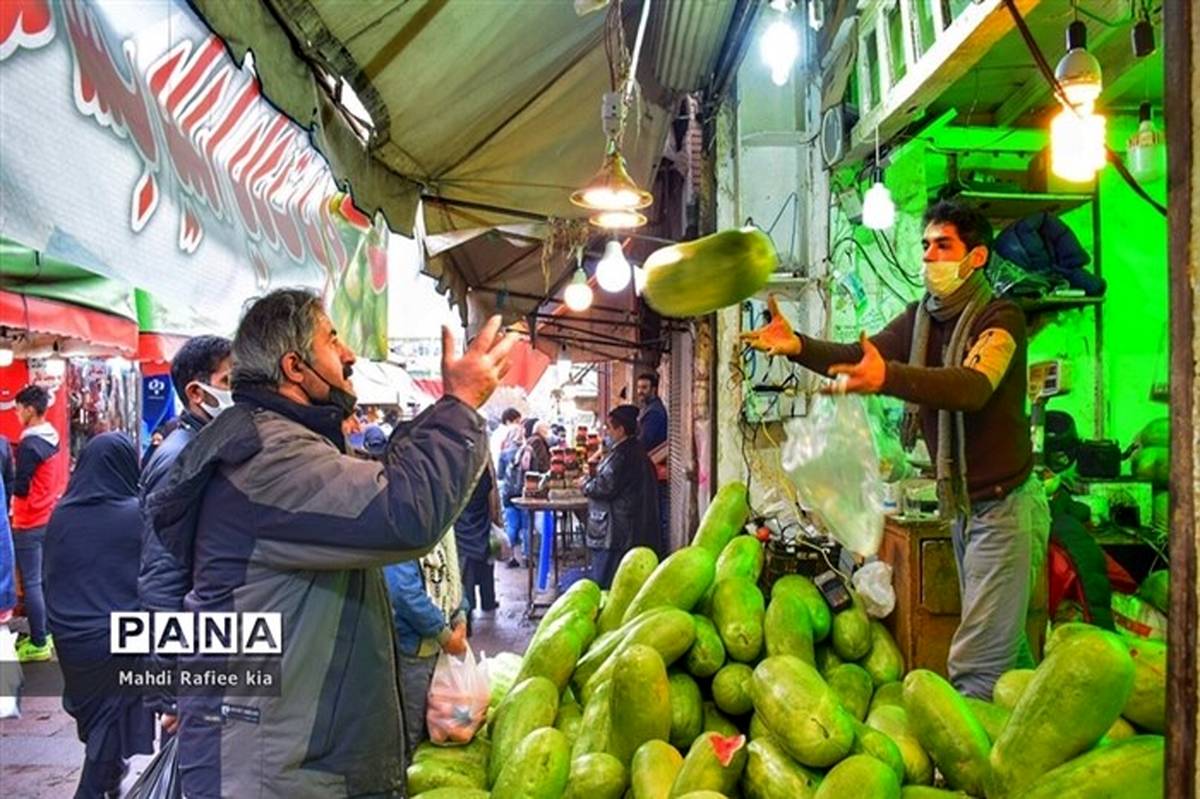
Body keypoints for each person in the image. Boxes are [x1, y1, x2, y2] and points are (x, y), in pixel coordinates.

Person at [143, 288, 513, 798]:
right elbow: (403, 512)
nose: (349, 354)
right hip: (273, 765)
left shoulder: (280, 441)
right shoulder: (269, 456)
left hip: (280, 746)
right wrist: (461, 404)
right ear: (295, 367)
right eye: (332, 339)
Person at [741, 198, 1050, 699]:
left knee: (975, 662)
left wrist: (890, 377)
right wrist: (799, 345)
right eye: (925, 246)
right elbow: (860, 357)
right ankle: (1039, 744)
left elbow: (971, 386)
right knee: (1005, 649)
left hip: (1006, 506)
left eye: (943, 246)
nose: (929, 257)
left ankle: (973, 772)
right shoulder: (921, 320)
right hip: (964, 508)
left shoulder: (1002, 317)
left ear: (976, 258)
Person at [44, 433, 155, 798]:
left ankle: (107, 781)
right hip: (119, 638)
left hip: (70, 638)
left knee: (101, 724)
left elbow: (48, 576)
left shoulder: (61, 514)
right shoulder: (136, 515)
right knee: (113, 720)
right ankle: (92, 790)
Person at [137, 334, 232, 736]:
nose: (242, 392)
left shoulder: (206, 445)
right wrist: (171, 691)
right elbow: (161, 574)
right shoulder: (181, 456)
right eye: (230, 382)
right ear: (197, 393)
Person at [383, 531, 469, 760]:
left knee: (437, 720)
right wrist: (444, 635)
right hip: (414, 649)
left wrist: (461, 614)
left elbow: (452, 572)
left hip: (439, 645)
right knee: (414, 724)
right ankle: (407, 779)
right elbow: (404, 593)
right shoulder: (402, 533)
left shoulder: (442, 528)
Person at [581, 405, 662, 588]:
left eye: (609, 428)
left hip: (617, 529)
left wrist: (585, 484)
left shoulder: (622, 455)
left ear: (620, 430)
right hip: (628, 526)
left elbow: (605, 487)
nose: (606, 433)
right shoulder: (633, 451)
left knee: (608, 582)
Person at [11, 384, 63, 662]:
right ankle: (47, 631)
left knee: (30, 582)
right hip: (47, 516)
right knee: (42, 580)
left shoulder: (30, 444)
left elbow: (20, 488)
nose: (17, 413)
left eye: (18, 408)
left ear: (30, 410)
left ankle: (39, 641)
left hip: (29, 519)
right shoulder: (52, 436)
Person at [455, 460, 502, 618]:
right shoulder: (482, 468)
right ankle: (488, 600)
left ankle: (468, 614)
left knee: (466, 573)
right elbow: (490, 491)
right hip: (481, 523)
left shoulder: (457, 470)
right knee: (487, 564)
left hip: (462, 528)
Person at [636, 371, 670, 540]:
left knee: (660, 516)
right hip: (653, 469)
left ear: (654, 389)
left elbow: (644, 442)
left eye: (644, 388)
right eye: (639, 387)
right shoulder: (648, 410)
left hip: (658, 470)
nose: (640, 391)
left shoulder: (654, 413)